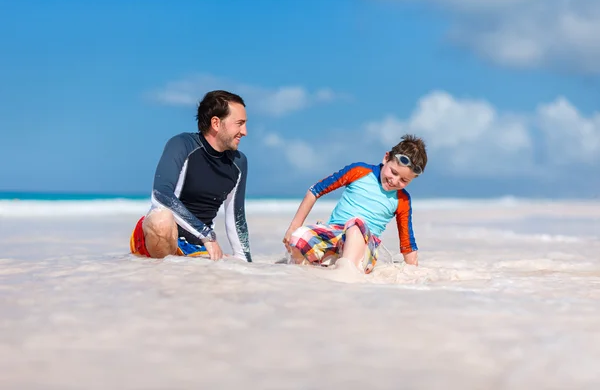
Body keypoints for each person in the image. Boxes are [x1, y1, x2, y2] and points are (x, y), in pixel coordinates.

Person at [129, 90, 252, 262]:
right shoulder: (182, 145)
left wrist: (246, 264)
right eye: (239, 123)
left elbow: (236, 217)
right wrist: (206, 234)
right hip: (160, 236)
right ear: (216, 123)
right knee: (161, 220)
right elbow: (161, 195)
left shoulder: (238, 163)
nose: (244, 131)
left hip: (197, 247)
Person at [282, 134, 427, 273]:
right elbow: (315, 191)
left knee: (355, 223)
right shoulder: (359, 171)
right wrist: (293, 227)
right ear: (386, 158)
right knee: (298, 237)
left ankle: (346, 272)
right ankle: (314, 267)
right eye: (394, 172)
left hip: (364, 245)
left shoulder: (402, 199)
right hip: (334, 235)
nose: (395, 181)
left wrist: (414, 270)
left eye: (404, 180)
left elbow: (407, 243)